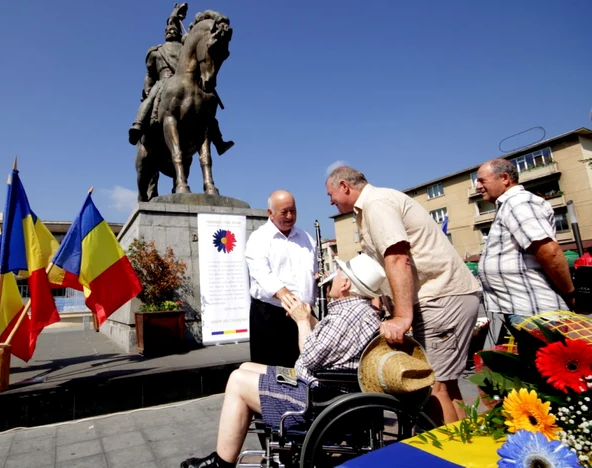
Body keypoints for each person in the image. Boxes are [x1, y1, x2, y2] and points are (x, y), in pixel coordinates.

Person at [180, 254, 386, 468]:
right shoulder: (361, 312)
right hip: (327, 389)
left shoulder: (344, 316)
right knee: (246, 367)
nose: (333, 278)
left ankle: (222, 463)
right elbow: (330, 342)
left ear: (346, 283)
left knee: (237, 380)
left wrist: (301, 321)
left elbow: (310, 357)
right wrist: (308, 316)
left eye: (338, 273)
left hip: (314, 397)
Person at [325, 166, 481, 424]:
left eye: (330, 194)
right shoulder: (375, 204)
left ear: (344, 186)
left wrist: (401, 317)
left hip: (440, 298)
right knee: (447, 385)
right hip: (445, 296)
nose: (330, 201)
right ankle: (466, 447)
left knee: (431, 387)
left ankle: (448, 458)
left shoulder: (376, 204)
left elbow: (397, 257)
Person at [475, 158, 575, 336]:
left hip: (536, 312)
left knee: (544, 362)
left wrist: (570, 294)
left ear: (505, 178)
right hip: (527, 310)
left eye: (482, 180)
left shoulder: (518, 202)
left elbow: (549, 252)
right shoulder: (510, 205)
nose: (478, 186)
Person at [127, 3, 234, 156]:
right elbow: (150, 74)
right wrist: (147, 88)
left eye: (173, 30)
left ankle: (219, 142)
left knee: (208, 106)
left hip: (186, 80)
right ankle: (138, 125)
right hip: (164, 80)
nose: (171, 31)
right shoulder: (157, 51)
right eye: (168, 30)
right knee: (151, 97)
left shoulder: (185, 47)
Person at [245, 190, 317, 367]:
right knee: (271, 373)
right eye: (284, 212)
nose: (290, 216)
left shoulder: (306, 237)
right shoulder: (259, 238)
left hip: (304, 314)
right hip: (271, 315)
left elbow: (312, 270)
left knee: (304, 368)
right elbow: (261, 272)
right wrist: (284, 294)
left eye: (293, 211)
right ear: (270, 213)